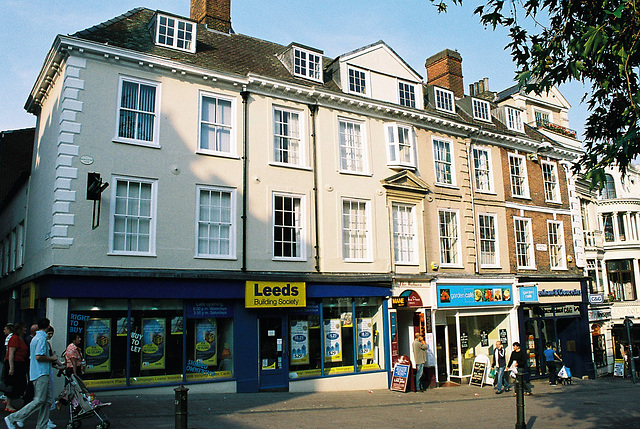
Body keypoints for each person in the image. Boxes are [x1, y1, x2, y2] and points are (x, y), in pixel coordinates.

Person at [5, 318, 58, 429]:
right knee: (39, 400)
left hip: (40, 372)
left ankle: (42, 425)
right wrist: (52, 358)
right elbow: (39, 356)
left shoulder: (36, 338)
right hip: (41, 373)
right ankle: (13, 417)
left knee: (47, 400)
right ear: (48, 326)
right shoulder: (41, 339)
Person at [3, 323, 29, 413]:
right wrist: (11, 367)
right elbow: (11, 353)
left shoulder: (20, 339)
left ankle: (8, 402)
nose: (25, 330)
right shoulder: (14, 338)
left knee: (17, 383)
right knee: (12, 383)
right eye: (24, 328)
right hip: (15, 363)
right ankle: (8, 404)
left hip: (20, 364)